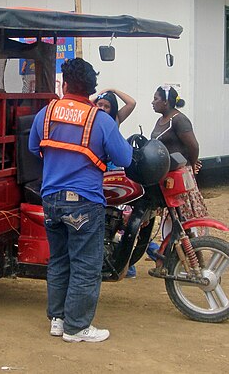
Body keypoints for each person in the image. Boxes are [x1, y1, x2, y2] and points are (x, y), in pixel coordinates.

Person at [28, 58, 132, 343]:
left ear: (66, 83)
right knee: (85, 264)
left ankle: (58, 321)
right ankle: (77, 327)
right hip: (84, 202)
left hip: (50, 200)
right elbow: (125, 158)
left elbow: (32, 147)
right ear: (91, 87)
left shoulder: (46, 114)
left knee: (59, 261)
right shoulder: (99, 119)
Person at [147, 85, 208, 276]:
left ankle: (196, 264)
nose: (153, 101)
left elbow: (193, 145)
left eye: (156, 98)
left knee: (183, 220)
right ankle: (165, 263)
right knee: (172, 221)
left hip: (179, 177)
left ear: (166, 101)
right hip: (166, 177)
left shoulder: (179, 120)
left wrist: (191, 163)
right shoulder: (162, 120)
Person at [90, 88, 137, 278]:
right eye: (99, 105)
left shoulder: (114, 120)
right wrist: (100, 94)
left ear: (113, 108)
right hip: (99, 173)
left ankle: (127, 263)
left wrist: (112, 90)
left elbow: (132, 103)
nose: (101, 108)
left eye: (106, 106)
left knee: (120, 216)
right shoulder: (92, 119)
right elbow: (85, 101)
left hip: (113, 173)